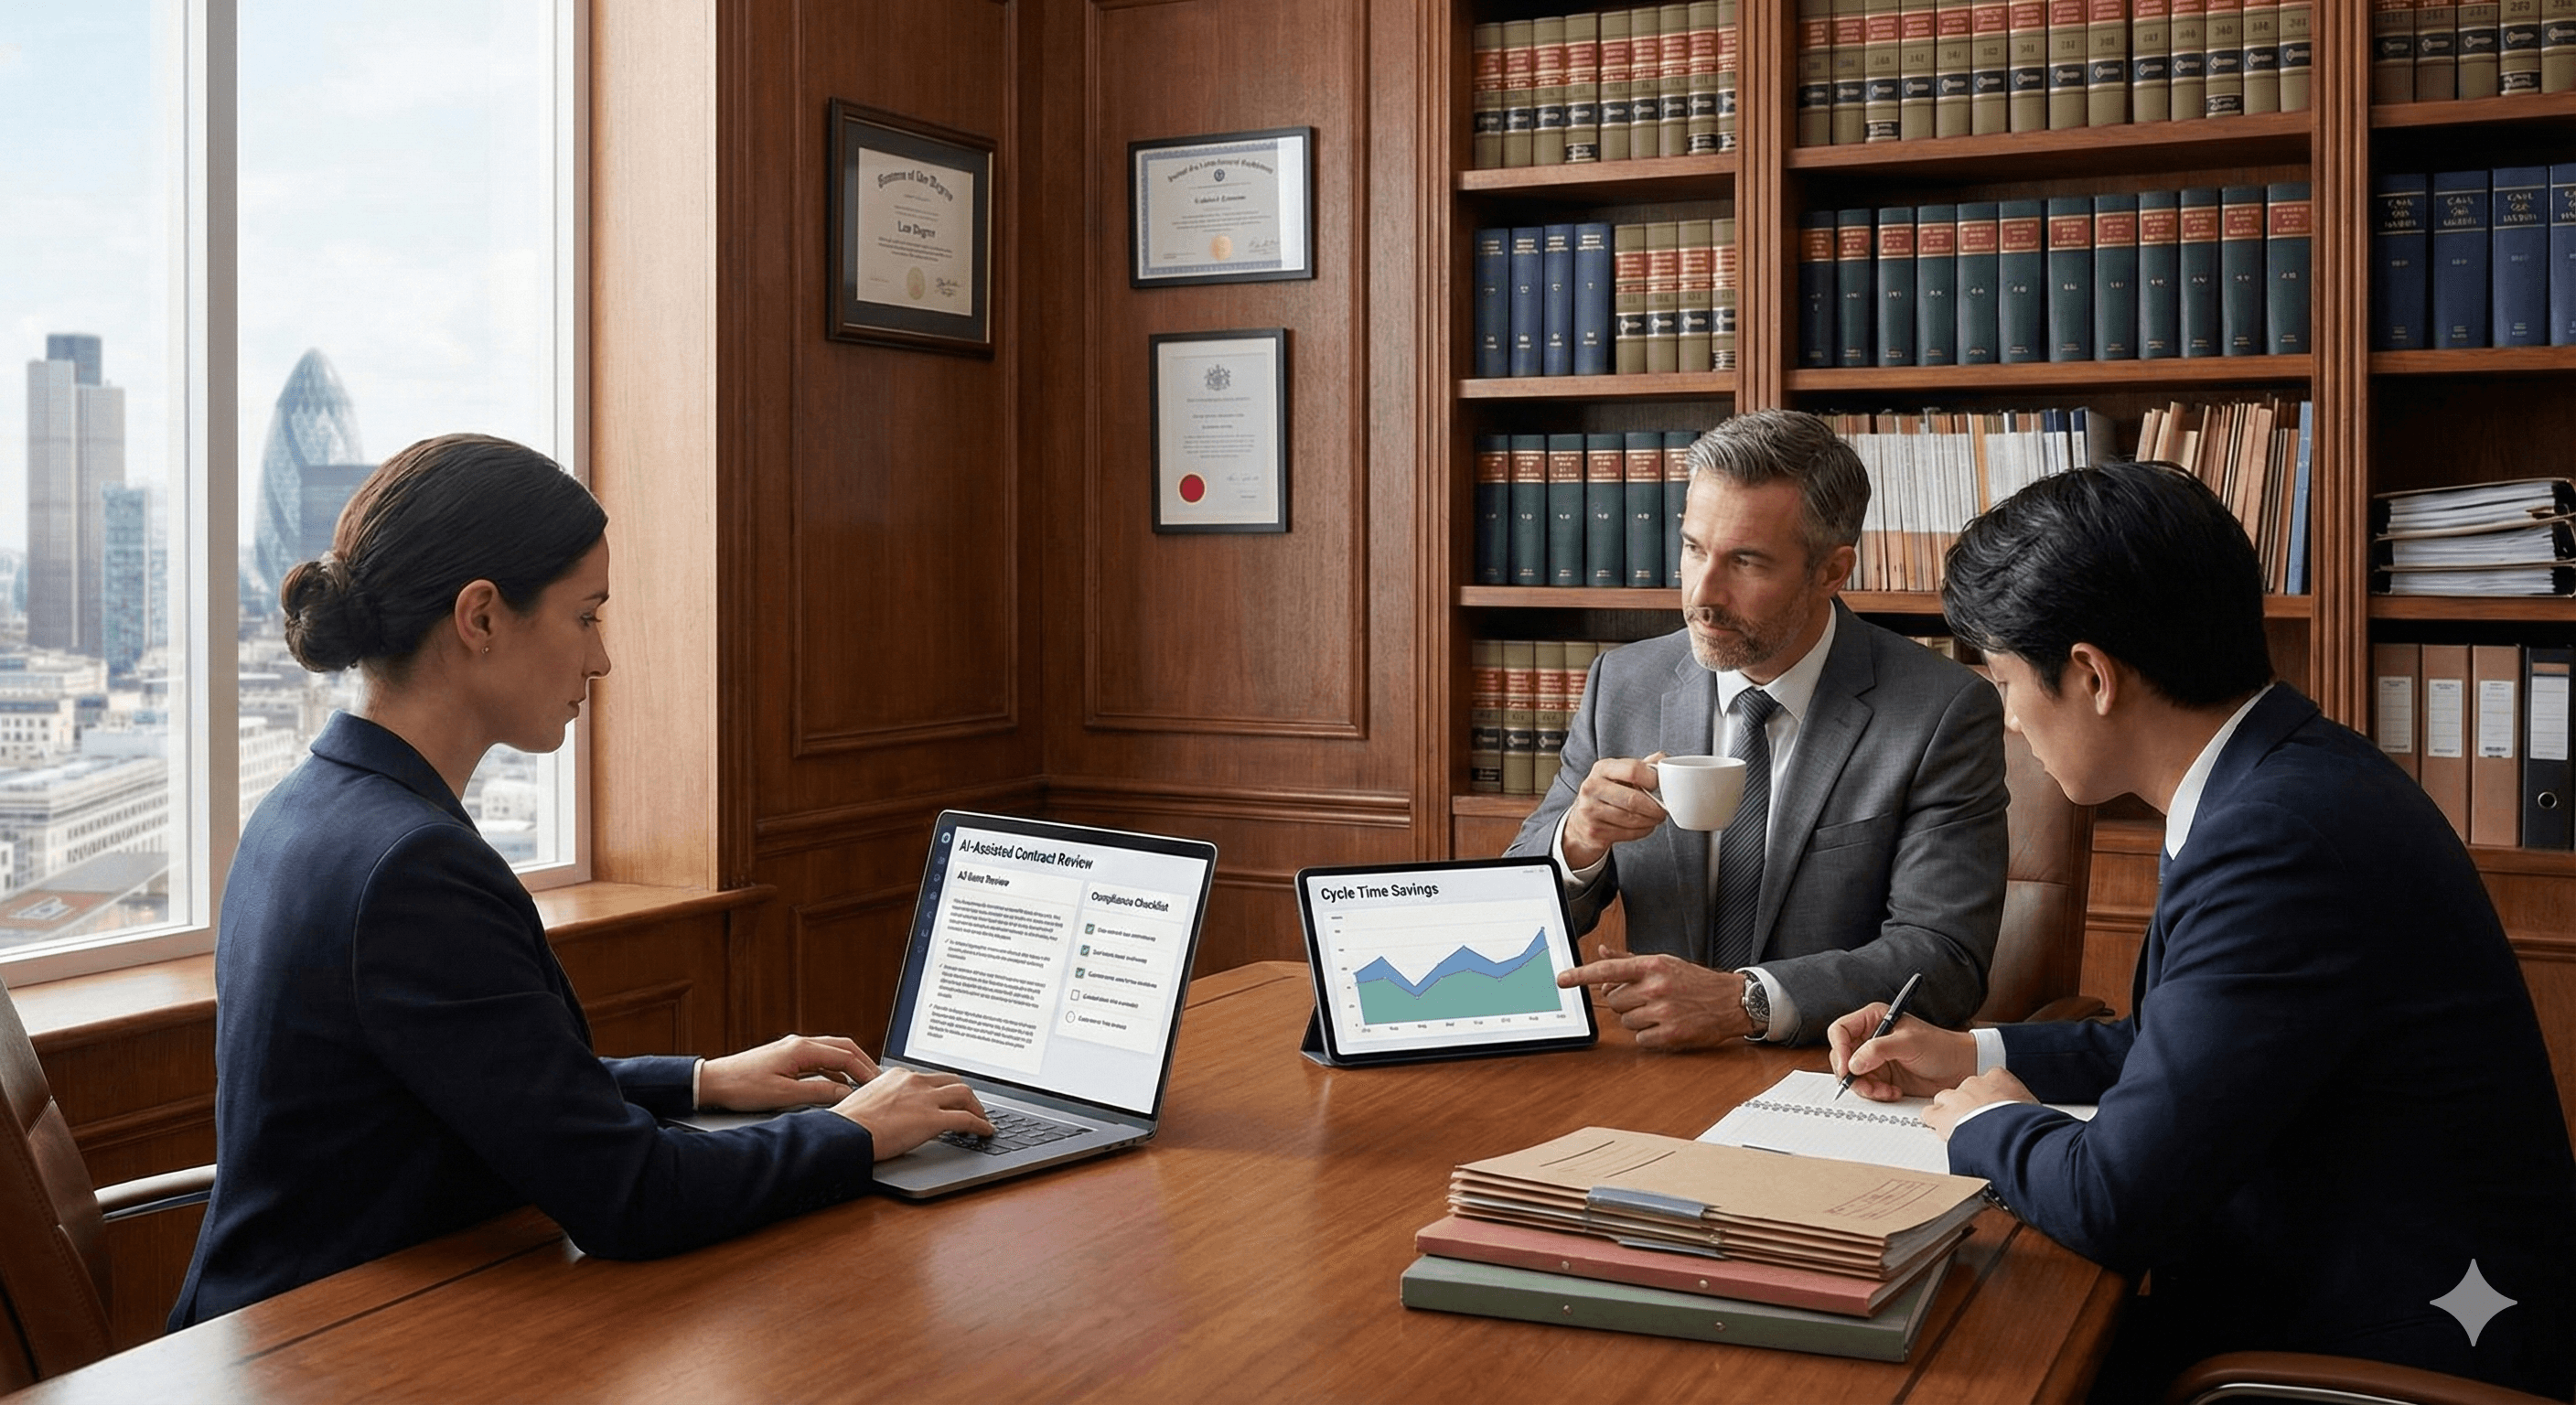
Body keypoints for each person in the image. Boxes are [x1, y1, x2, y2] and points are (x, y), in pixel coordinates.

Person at [171, 434, 993, 1328]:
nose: (599, 661)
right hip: (339, 1347)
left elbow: (487, 1070)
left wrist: (702, 1082)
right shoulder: (412, 868)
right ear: (480, 617)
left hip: (312, 1321)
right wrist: (855, 1130)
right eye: (587, 616)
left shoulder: (311, 806)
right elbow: (632, 1197)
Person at [1830, 460, 2576, 1398]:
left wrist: (1988, 1123)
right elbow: (2177, 1049)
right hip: (2327, 1288)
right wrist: (1964, 1049)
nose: (2009, 722)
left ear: (2091, 675)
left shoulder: (2273, 840)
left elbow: (2112, 1201)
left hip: (2369, 1352)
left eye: (2003, 680)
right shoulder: (2282, 772)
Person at [1508, 409, 2007, 1048]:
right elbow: (1513, 918)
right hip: (1648, 1070)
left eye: (1745, 561)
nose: (1702, 595)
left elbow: (1944, 958)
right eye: (1693, 549)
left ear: (1831, 570)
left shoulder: (1941, 711)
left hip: (1830, 1077)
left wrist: (1746, 1001)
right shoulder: (1622, 685)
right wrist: (1576, 845)